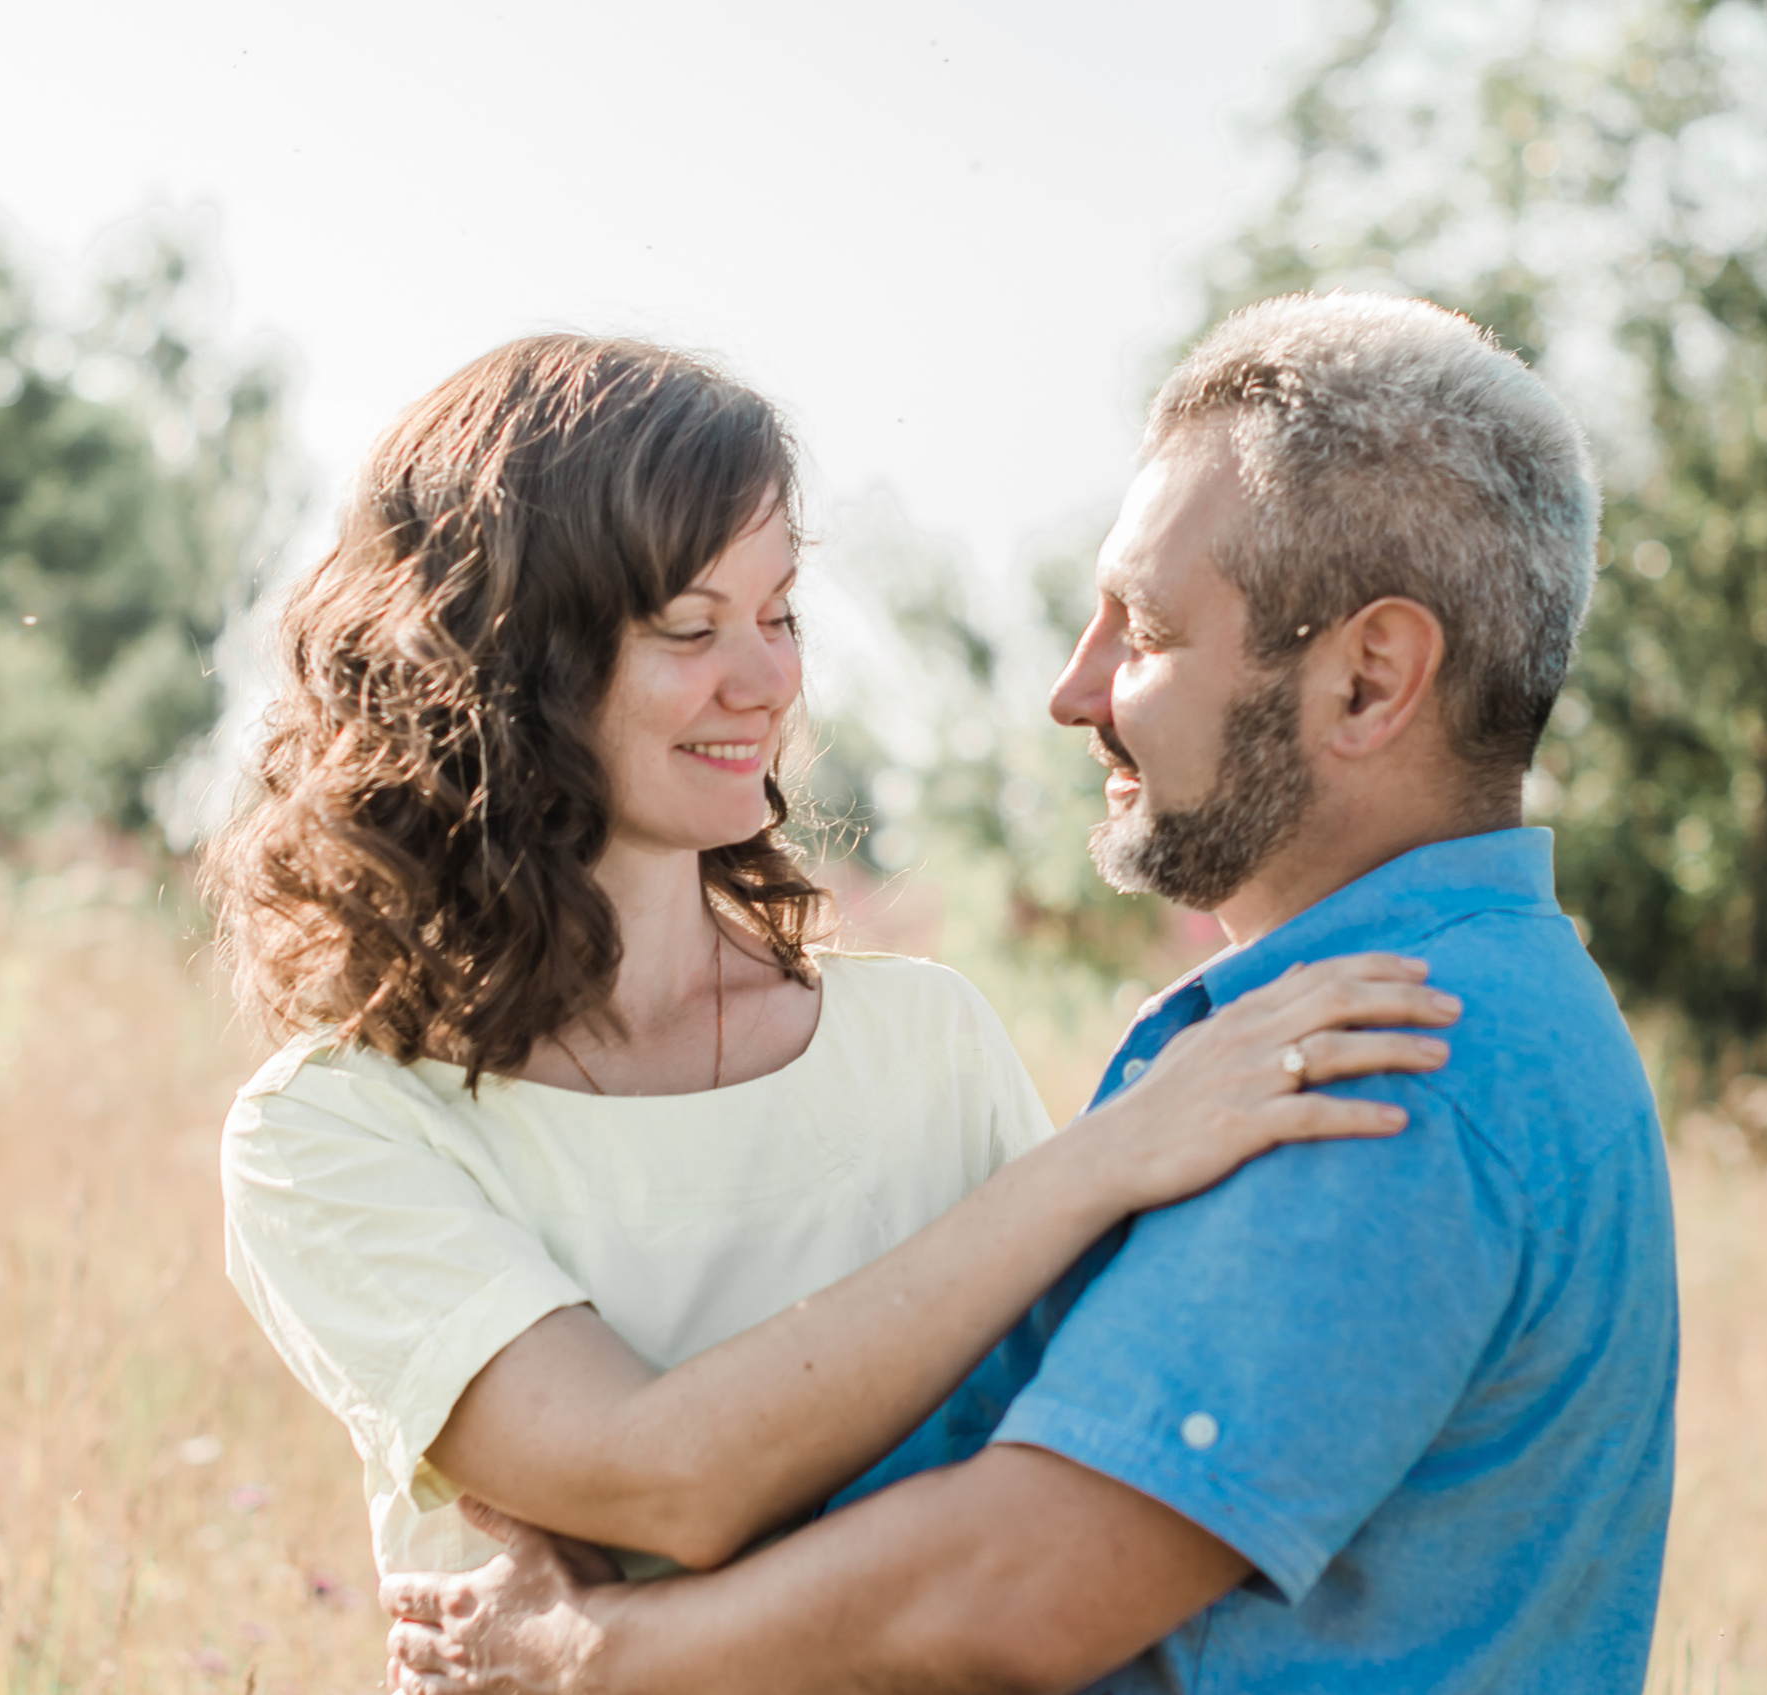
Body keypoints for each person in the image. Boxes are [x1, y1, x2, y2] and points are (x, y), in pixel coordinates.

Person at [381, 294, 1680, 1695]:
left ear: (1370, 679)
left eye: (1147, 626)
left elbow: (1020, 1586)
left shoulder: (1389, 1058)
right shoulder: (1404, 1016)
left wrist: (602, 1648)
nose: (1077, 687)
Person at [208, 334, 1462, 1591]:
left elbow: (1041, 1499)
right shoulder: (337, 1133)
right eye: (688, 628)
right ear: (501, 669)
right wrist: (1104, 1157)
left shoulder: (923, 1042)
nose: (765, 682)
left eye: (777, 613)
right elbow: (659, 1483)